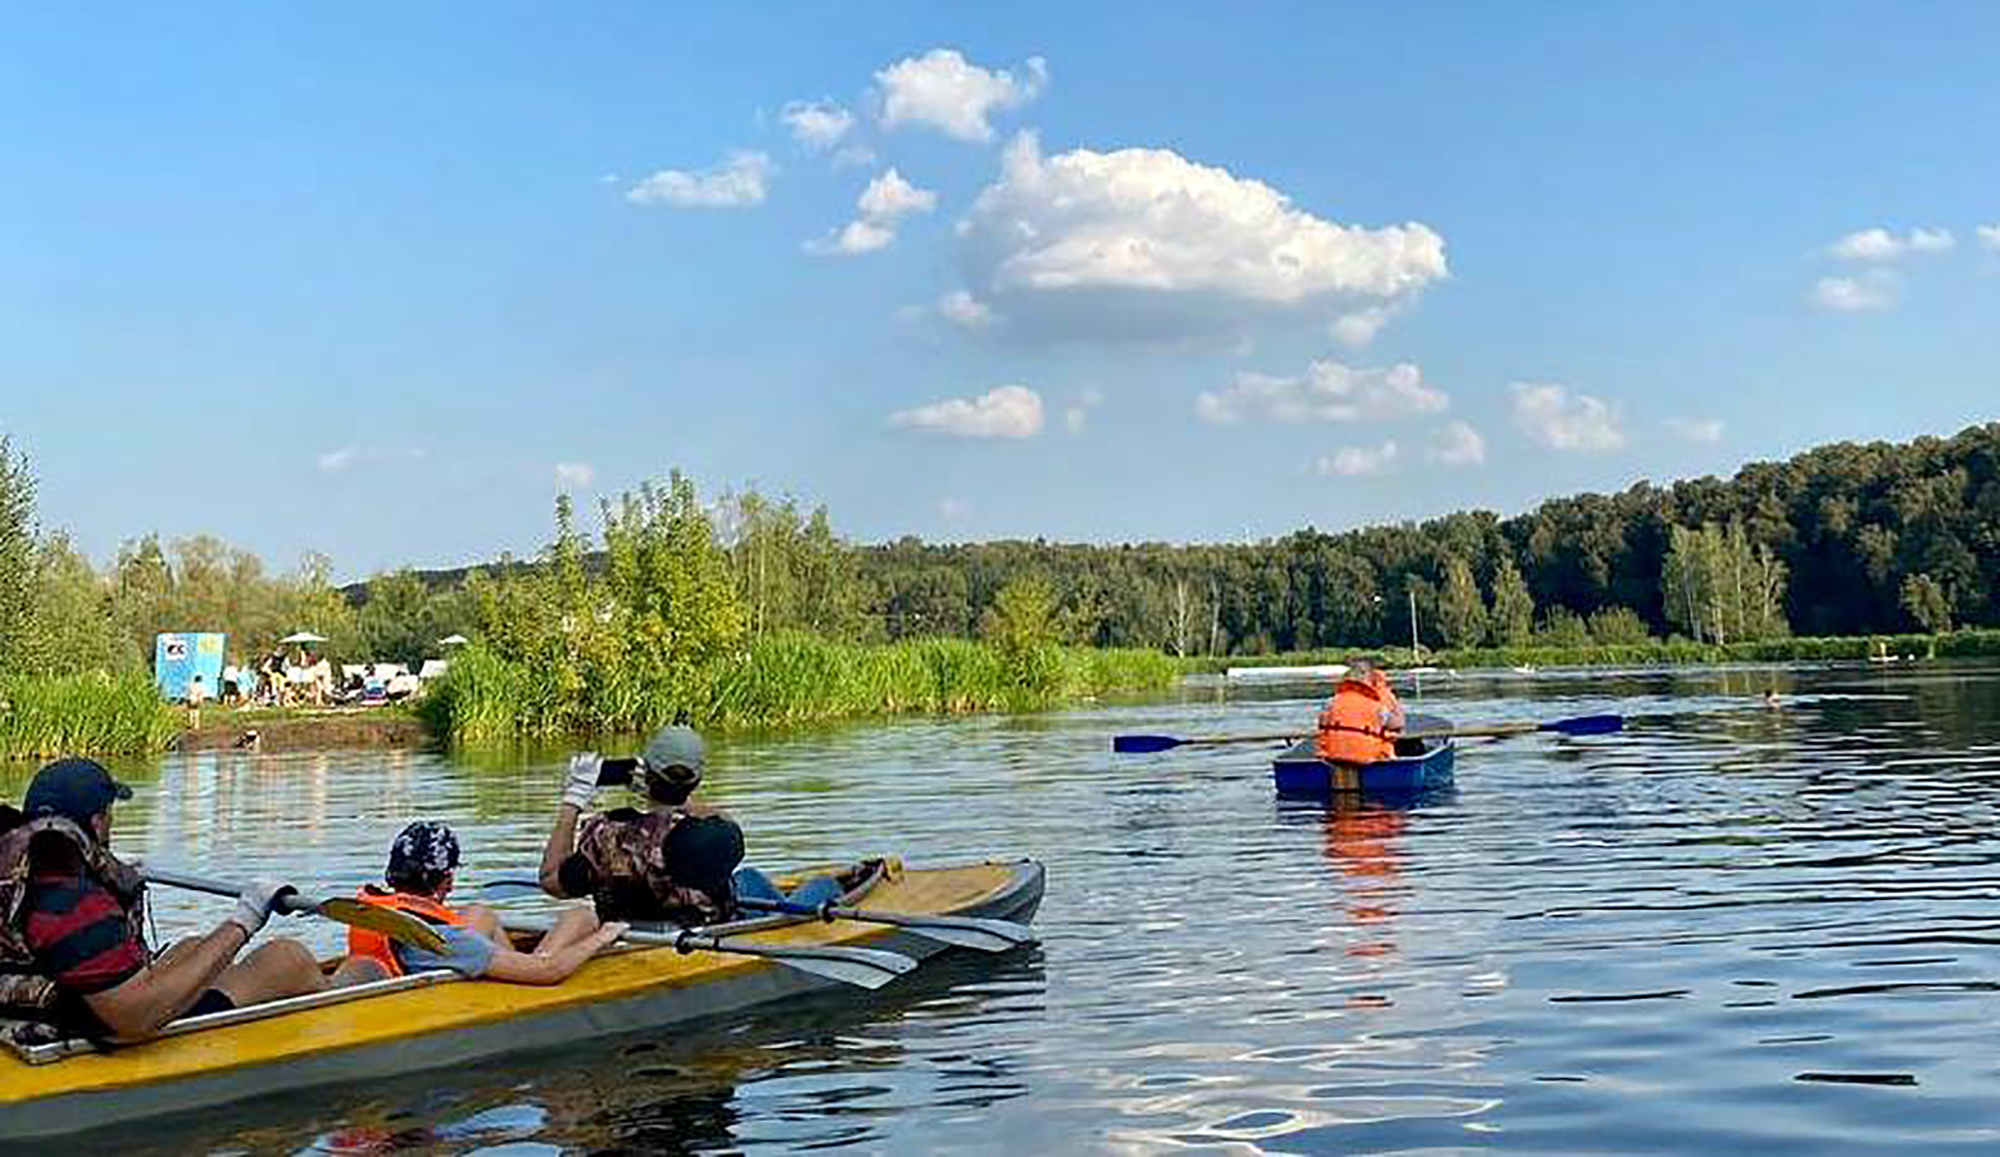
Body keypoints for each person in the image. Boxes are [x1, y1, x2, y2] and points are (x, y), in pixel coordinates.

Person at [0, 758, 381, 1042]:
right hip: (101, 1025)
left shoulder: (22, 866)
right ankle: (355, 991)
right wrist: (245, 919)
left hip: (48, 1007)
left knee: (192, 946)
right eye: (111, 815)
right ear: (98, 822)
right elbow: (134, 1018)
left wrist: (110, 874)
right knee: (286, 958)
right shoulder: (72, 900)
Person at [347, 822, 625, 984]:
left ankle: (518, 962)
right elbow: (549, 973)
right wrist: (604, 936)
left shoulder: (374, 913)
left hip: (421, 964)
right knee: (582, 916)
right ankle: (524, 965)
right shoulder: (448, 939)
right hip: (447, 972)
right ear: (447, 880)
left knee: (479, 913)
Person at [538, 726, 742, 925]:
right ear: (697, 780)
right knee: (748, 879)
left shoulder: (605, 835)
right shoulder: (716, 833)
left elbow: (551, 881)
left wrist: (573, 801)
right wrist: (672, 795)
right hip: (701, 933)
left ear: (647, 773)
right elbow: (719, 819)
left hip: (625, 932)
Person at [1316, 657, 1406, 764]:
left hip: (1334, 756)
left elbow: (1321, 723)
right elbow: (1398, 724)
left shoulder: (1332, 702)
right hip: (1368, 757)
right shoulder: (1377, 706)